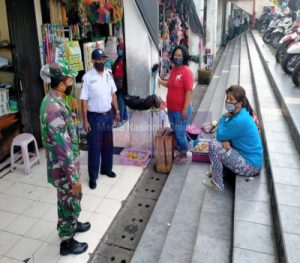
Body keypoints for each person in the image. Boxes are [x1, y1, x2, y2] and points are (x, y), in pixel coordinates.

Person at [40, 61, 90, 256]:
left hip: (66, 164)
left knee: (70, 198)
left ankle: (73, 224)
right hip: (64, 168)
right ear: (61, 84)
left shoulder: (56, 100)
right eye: (70, 80)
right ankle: (67, 241)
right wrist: (73, 177)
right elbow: (62, 148)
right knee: (68, 200)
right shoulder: (53, 108)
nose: (72, 83)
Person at [203, 85, 263, 191]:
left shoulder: (240, 119)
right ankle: (222, 172)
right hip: (247, 157)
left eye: (231, 99)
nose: (228, 101)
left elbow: (221, 134)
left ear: (239, 103)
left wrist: (222, 118)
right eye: (227, 98)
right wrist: (226, 139)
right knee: (216, 138)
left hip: (250, 166)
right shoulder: (240, 112)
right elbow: (225, 133)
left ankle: (217, 183)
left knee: (214, 144)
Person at [80, 48, 120, 190]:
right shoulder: (88, 77)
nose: (101, 62)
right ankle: (93, 176)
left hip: (108, 115)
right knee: (95, 147)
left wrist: (117, 111)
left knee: (108, 144)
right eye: (98, 59)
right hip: (95, 118)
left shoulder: (109, 74)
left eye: (103, 59)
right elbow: (84, 100)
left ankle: (106, 169)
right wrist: (85, 120)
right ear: (93, 61)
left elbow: (113, 95)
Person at [158, 45, 194, 163]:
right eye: (176, 55)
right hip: (172, 109)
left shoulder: (187, 71)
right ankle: (180, 149)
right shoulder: (174, 69)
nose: (177, 57)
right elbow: (171, 84)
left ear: (184, 57)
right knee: (176, 131)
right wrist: (159, 81)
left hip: (181, 110)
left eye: (180, 55)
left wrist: (184, 109)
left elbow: (189, 91)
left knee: (179, 133)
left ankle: (184, 152)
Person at [112, 41, 128, 126]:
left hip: (122, 84)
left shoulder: (124, 60)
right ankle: (125, 117)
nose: (119, 50)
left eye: (121, 49)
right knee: (122, 100)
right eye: (118, 49)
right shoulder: (119, 59)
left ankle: (120, 119)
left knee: (120, 101)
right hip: (118, 83)